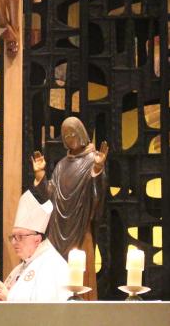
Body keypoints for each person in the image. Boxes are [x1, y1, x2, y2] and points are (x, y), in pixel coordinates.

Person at [31, 116, 107, 299]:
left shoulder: (92, 160)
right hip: (58, 230)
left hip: (80, 228)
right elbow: (51, 195)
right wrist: (40, 175)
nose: (70, 137)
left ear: (82, 134)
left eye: (73, 132)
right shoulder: (62, 165)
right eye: (65, 134)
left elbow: (97, 197)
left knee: (81, 275)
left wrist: (97, 171)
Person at [0, 192, 69, 302]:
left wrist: (8, 297)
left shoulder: (52, 265)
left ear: (37, 240)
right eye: (13, 236)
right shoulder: (21, 267)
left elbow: (45, 310)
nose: (13, 242)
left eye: (20, 236)